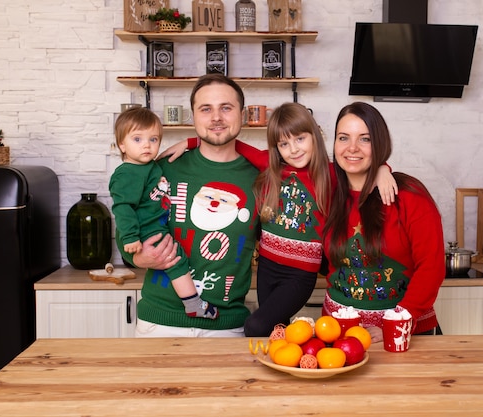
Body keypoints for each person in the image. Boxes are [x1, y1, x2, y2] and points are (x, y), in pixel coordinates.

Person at [164, 102, 397, 336]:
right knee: (275, 333)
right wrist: (191, 142)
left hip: (300, 273)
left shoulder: (330, 173)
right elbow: (234, 146)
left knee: (256, 327)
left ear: (314, 135)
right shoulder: (272, 166)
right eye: (284, 144)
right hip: (267, 267)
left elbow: (360, 165)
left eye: (300, 139)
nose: (293, 149)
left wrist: (382, 168)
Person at [118, 74, 260, 337]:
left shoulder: (260, 178)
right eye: (206, 109)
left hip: (227, 327)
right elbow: (126, 230)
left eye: (226, 108)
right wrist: (138, 256)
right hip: (158, 323)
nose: (216, 117)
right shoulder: (162, 169)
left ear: (242, 114)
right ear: (193, 116)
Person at [322, 101, 445, 343]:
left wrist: (395, 323)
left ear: (380, 143)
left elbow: (431, 268)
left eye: (365, 139)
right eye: (343, 138)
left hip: (403, 337)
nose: (352, 148)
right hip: (338, 334)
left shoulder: (408, 194)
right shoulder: (327, 189)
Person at [109, 107, 218, 320]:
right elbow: (122, 208)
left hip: (157, 224)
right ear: (122, 144)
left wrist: (188, 142)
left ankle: (192, 302)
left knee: (176, 257)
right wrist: (131, 237)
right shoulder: (126, 174)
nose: (147, 145)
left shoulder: (151, 166)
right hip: (147, 229)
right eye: (137, 139)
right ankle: (193, 303)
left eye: (154, 139)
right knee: (174, 259)